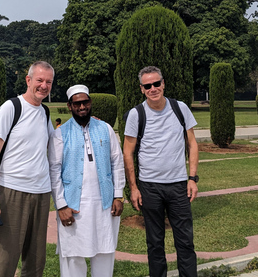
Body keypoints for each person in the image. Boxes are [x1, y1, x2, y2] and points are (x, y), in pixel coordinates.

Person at [123, 66, 199, 277]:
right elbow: (127, 152)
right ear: (142, 89)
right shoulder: (136, 114)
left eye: (157, 84)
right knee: (155, 244)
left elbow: (192, 143)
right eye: (148, 86)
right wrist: (134, 187)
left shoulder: (180, 108)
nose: (153, 89)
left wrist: (192, 178)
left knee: (185, 241)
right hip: (150, 187)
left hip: (178, 186)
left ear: (163, 83)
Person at [0, 61, 54, 277]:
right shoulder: (11, 108)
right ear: (28, 80)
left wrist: (90, 122)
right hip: (13, 191)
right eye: (39, 80)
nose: (43, 85)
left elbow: (57, 141)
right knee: (5, 258)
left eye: (48, 82)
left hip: (41, 193)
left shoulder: (45, 112)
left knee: (35, 260)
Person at [48, 84, 125, 277]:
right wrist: (61, 205)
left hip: (105, 204)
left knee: (105, 252)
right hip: (73, 206)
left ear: (90, 103)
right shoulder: (60, 134)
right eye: (77, 103)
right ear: (69, 106)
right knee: (73, 257)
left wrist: (118, 195)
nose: (82, 107)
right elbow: (54, 171)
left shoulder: (105, 128)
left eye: (85, 102)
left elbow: (117, 162)